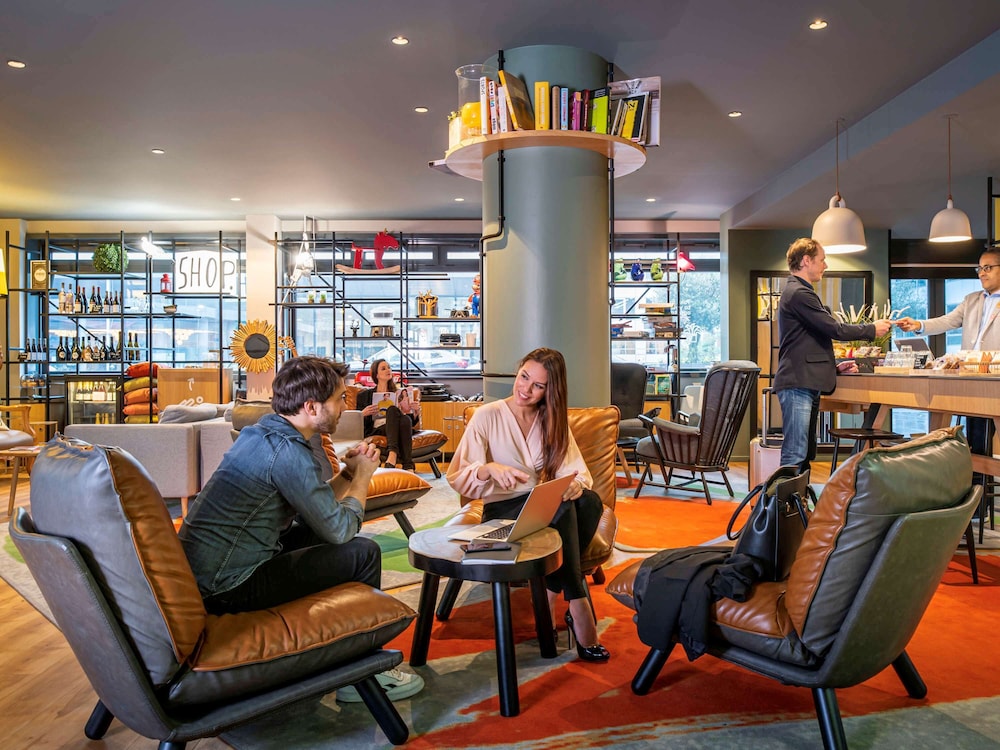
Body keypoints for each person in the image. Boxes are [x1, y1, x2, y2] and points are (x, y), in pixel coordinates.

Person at [179, 356, 423, 702]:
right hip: (228, 587)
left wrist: (349, 473)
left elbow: (317, 506)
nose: (344, 406)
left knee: (316, 533)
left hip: (212, 574)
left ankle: (350, 656)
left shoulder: (264, 433)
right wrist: (364, 477)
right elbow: (340, 529)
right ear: (311, 407)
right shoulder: (288, 452)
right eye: (339, 399)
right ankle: (362, 670)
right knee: (363, 553)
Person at [446, 347, 609, 662]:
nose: (526, 389)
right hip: (501, 510)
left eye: (538, 386)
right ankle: (578, 604)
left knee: (588, 501)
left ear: (550, 390)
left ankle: (549, 594)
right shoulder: (487, 416)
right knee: (563, 508)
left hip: (538, 505)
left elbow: (577, 472)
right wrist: (488, 469)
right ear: (518, 370)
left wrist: (574, 484)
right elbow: (458, 477)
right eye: (524, 377)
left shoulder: (552, 420)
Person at [773, 238, 892, 474]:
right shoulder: (798, 293)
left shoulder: (799, 292)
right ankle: (784, 498)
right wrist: (871, 329)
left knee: (805, 452)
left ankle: (799, 496)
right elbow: (834, 329)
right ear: (806, 261)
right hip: (798, 382)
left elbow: (807, 342)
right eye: (822, 260)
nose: (825, 265)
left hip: (805, 380)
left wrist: (833, 367)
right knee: (795, 453)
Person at [896, 247, 1000, 482]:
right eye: (979, 268)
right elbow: (947, 321)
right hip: (969, 378)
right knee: (974, 437)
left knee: (984, 436)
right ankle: (974, 489)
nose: (982, 273)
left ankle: (979, 488)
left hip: (994, 380)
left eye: (988, 268)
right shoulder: (972, 300)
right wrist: (918, 325)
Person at [356, 359, 420, 469]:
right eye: (383, 368)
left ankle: (393, 455)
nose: (388, 370)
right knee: (394, 411)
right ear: (376, 375)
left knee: (403, 418)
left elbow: (410, 423)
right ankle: (408, 465)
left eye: (389, 367)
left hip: (397, 427)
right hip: (377, 428)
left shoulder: (399, 393)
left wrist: (415, 412)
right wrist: (363, 413)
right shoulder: (364, 395)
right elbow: (355, 421)